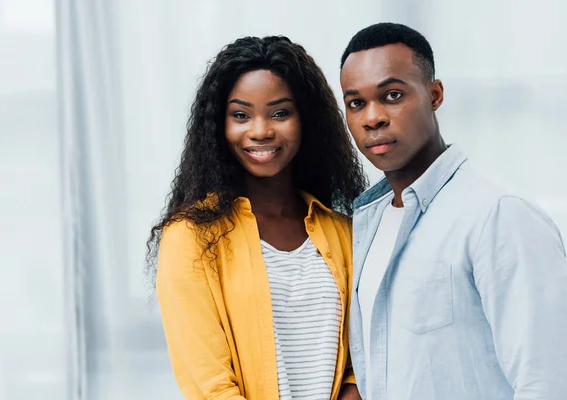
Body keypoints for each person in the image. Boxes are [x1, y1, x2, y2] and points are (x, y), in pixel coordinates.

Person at [339, 22, 567, 400]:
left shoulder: (498, 217)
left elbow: (549, 380)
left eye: (392, 95)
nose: (372, 117)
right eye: (356, 103)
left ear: (435, 95)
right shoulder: (367, 224)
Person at [146, 36, 366, 399]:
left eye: (280, 112)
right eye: (241, 115)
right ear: (219, 125)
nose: (261, 130)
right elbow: (209, 385)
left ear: (305, 121)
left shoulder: (345, 232)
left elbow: (361, 360)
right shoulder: (191, 237)